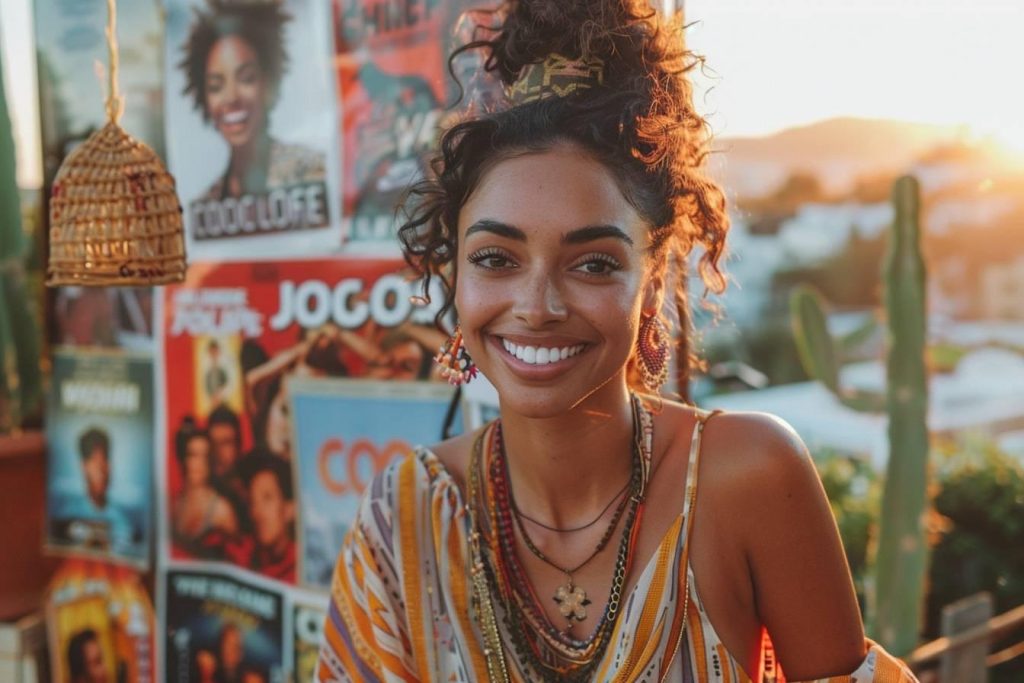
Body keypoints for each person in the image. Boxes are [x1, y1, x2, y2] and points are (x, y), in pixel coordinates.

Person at [317, 2, 919, 682]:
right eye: (495, 258)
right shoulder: (404, 518)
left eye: (594, 263)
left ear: (654, 283)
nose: (537, 306)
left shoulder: (746, 476)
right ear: (453, 271)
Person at [180, 0, 325, 201]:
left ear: (267, 84)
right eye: (216, 86)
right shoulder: (206, 203)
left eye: (246, 78)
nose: (231, 97)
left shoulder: (313, 174)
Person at [58, 427, 136, 552]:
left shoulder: (122, 522)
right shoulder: (68, 514)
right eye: (95, 461)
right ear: (84, 467)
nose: (102, 469)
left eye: (105, 459)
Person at [224, 450, 296, 581]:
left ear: (289, 509)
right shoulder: (243, 555)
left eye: (267, 498)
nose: (257, 512)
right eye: (252, 502)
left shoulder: (302, 566)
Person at [171, 417, 239, 556]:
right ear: (184, 459)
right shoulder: (175, 505)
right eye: (193, 455)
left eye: (205, 456)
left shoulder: (222, 511)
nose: (199, 464)